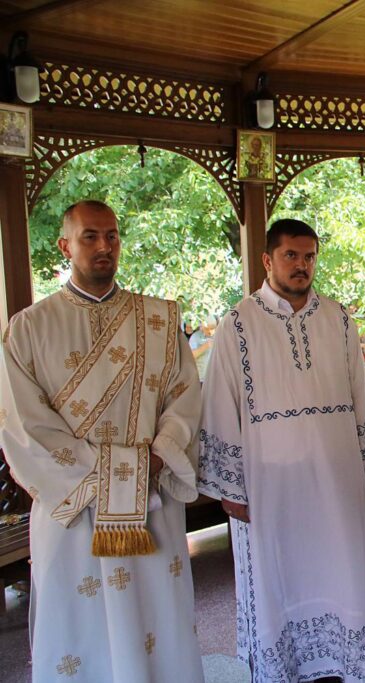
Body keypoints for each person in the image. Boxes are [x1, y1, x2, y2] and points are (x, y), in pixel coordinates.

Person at [0, 200, 204, 682]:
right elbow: (23, 425)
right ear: (65, 245)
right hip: (74, 508)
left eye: (111, 236)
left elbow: (185, 398)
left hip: (150, 500)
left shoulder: (158, 319)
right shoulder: (29, 328)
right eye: (89, 236)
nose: (103, 246)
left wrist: (157, 458)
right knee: (82, 634)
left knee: (158, 627)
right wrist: (115, 474)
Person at [197, 219, 365, 682]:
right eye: (291, 256)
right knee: (278, 587)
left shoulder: (339, 319)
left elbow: (361, 399)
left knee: (346, 576)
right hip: (271, 489)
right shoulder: (237, 324)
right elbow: (219, 405)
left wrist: (362, 467)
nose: (302, 265)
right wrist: (231, 489)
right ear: (268, 260)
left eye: (309, 257)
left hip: (335, 482)